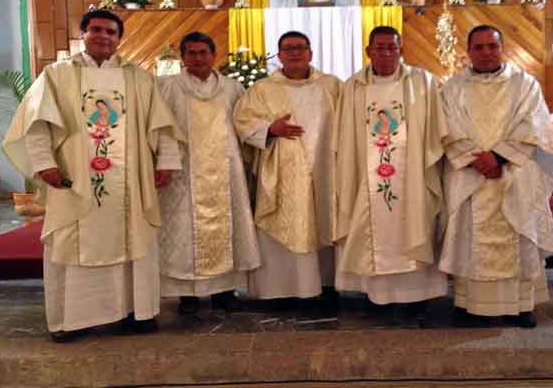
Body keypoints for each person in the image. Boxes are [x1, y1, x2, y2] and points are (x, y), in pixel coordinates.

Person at [2, 10, 184, 341]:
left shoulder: (138, 78)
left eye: (111, 32)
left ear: (119, 38)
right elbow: (38, 125)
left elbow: (161, 127)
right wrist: (44, 163)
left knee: (134, 239)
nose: (103, 36)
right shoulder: (57, 75)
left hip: (130, 182)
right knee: (71, 242)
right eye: (96, 30)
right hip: (73, 178)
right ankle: (72, 320)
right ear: (83, 34)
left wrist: (166, 162)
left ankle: (136, 312)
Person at [438, 25, 553, 328]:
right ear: (468, 51)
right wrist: (477, 159)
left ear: (502, 48)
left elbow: (533, 125)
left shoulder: (524, 84)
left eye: (492, 46)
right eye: (479, 47)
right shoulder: (452, 88)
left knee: (518, 235)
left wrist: (498, 157)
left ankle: (520, 306)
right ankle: (469, 305)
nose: (486, 53)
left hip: (514, 172)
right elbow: (447, 127)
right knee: (468, 239)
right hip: (469, 174)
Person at [334, 26, 448, 322]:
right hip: (366, 174)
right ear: (368, 51)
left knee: (415, 222)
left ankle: (416, 297)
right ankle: (379, 297)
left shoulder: (423, 82)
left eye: (392, 47)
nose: (386, 53)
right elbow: (343, 138)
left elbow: (437, 128)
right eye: (379, 47)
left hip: (413, 174)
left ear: (401, 50)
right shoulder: (352, 87)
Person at [233, 31, 341, 304]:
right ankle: (279, 289)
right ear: (279, 55)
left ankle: (326, 284)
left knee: (325, 219)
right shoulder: (262, 90)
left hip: (326, 167)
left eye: (300, 47)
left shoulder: (332, 86)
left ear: (310, 53)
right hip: (282, 170)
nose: (295, 52)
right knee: (284, 221)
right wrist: (270, 129)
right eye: (288, 48)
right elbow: (242, 122)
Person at [157, 32, 261, 315]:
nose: (198, 58)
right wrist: (164, 162)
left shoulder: (232, 88)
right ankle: (187, 295)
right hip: (184, 170)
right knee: (183, 233)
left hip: (226, 170)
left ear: (214, 55)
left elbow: (245, 123)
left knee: (228, 230)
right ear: (183, 57)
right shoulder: (168, 87)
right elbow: (161, 128)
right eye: (191, 53)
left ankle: (225, 292)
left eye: (203, 52)